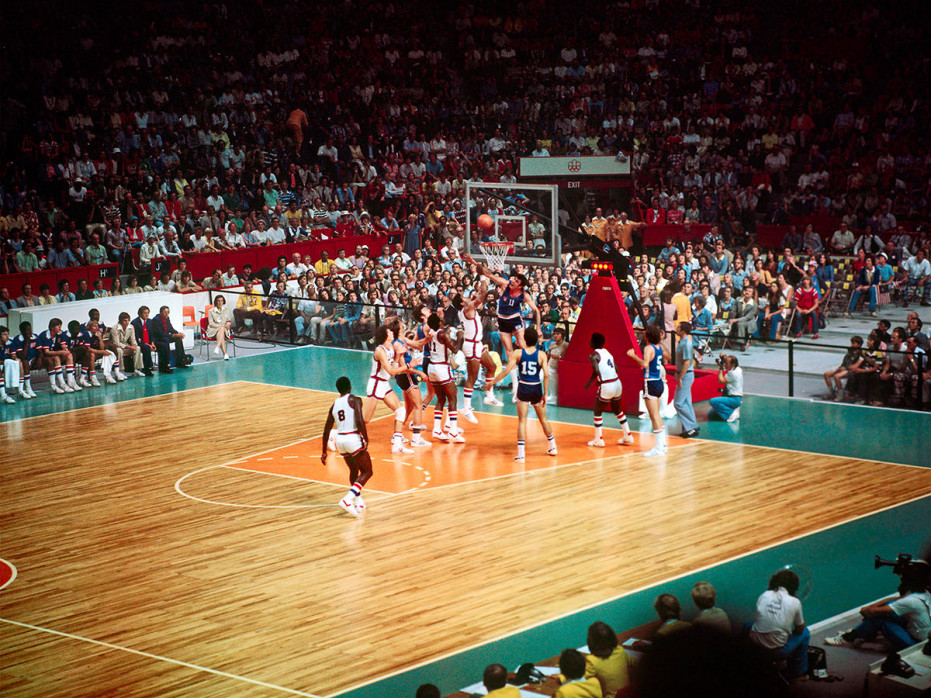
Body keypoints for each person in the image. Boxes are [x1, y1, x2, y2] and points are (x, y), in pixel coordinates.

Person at [465, 252, 540, 403]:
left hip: (515, 320)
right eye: (514, 278)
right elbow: (487, 273)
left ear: (521, 285)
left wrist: (538, 328)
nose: (513, 280)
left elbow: (536, 310)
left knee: (523, 348)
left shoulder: (524, 295)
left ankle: (530, 379)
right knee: (509, 351)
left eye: (516, 280)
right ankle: (516, 389)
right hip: (503, 320)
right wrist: (474, 262)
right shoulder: (505, 284)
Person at [826, 561, 930, 651]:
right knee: (888, 608)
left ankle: (848, 638)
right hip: (922, 635)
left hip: (918, 645)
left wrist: (889, 599)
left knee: (880, 619)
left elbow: (867, 611)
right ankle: (859, 634)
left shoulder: (909, 601)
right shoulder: (924, 593)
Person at [488, 327, 557, 462]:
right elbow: (547, 376)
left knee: (522, 421)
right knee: (543, 419)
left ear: (524, 339)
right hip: (536, 388)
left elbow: (506, 371)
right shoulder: (541, 355)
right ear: (537, 340)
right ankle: (553, 446)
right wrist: (545, 393)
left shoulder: (518, 353)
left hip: (524, 388)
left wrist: (492, 382)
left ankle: (521, 455)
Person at [321, 377, 374, 517]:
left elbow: (326, 429)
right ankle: (348, 499)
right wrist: (365, 438)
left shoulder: (334, 405)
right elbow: (359, 420)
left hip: (340, 441)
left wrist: (323, 451)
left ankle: (358, 500)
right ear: (350, 386)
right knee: (367, 472)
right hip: (352, 438)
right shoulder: (355, 400)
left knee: (353, 470)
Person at [362, 326, 415, 453]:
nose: (392, 332)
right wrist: (409, 365)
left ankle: (397, 444)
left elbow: (394, 367)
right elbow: (391, 371)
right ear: (385, 336)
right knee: (365, 419)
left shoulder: (391, 348)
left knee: (401, 410)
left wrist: (398, 355)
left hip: (384, 384)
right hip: (376, 384)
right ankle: (336, 434)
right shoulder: (380, 350)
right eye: (390, 331)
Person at [454, 282, 503, 420]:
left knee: (491, 366)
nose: (466, 297)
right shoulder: (468, 309)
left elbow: (481, 299)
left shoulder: (467, 309)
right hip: (471, 346)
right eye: (463, 297)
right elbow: (483, 296)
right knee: (472, 377)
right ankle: (466, 408)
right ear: (463, 303)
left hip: (477, 344)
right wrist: (483, 279)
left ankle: (489, 396)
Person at [748, 569, 810, 678]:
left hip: (755, 644)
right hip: (777, 651)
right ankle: (798, 672)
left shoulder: (764, 595)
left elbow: (759, 618)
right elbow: (800, 628)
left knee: (747, 625)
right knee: (805, 633)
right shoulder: (794, 602)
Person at [584, 332, 634, 447]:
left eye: (591, 340)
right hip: (617, 382)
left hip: (607, 385)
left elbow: (596, 371)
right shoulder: (607, 352)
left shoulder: (593, 355)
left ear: (593, 342)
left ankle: (599, 439)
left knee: (598, 411)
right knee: (617, 410)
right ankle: (628, 435)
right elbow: (615, 368)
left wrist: (591, 382)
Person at [387, 319, 430, 448]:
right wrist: (420, 373)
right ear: (399, 328)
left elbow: (418, 344)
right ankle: (416, 439)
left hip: (405, 377)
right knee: (418, 405)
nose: (403, 323)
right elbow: (403, 366)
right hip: (406, 375)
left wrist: (429, 337)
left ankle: (397, 435)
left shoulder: (403, 340)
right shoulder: (397, 344)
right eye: (401, 323)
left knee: (409, 407)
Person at [626, 324, 668, 457]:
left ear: (648, 335)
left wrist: (632, 355)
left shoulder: (648, 348)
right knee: (657, 415)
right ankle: (663, 445)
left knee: (653, 416)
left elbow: (644, 364)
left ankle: (659, 448)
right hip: (659, 382)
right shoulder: (659, 347)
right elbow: (668, 357)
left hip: (650, 382)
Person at [425, 312, 466, 443]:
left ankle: (437, 429)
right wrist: (460, 337)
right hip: (441, 368)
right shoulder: (441, 334)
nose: (443, 320)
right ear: (439, 323)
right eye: (441, 320)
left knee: (441, 399)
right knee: (453, 396)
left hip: (432, 367)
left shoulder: (430, 332)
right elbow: (454, 349)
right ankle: (453, 431)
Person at [584, 621, 631, 695]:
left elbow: (577, 675)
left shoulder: (592, 661)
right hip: (629, 694)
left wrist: (561, 677)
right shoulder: (620, 650)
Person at [37, 318, 81, 393]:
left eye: (60, 326)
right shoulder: (44, 335)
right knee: (56, 358)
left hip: (56, 353)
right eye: (58, 326)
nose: (60, 328)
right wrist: (60, 352)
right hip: (44, 356)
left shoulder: (60, 334)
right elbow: (47, 352)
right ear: (52, 327)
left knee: (69, 355)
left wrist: (65, 350)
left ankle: (71, 381)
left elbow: (63, 345)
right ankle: (62, 383)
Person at [673, 322, 699, 438]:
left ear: (683, 330)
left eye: (678, 327)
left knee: (678, 403)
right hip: (684, 374)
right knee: (686, 402)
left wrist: (680, 377)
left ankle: (691, 426)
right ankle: (691, 427)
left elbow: (687, 362)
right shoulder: (681, 342)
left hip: (686, 375)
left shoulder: (686, 344)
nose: (676, 328)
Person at [151, 305, 189, 374]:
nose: (166, 314)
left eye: (168, 312)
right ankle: (165, 366)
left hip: (165, 337)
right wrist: (174, 335)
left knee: (178, 339)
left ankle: (180, 361)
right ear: (160, 313)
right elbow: (160, 334)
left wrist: (179, 334)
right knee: (166, 341)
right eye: (165, 312)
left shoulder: (167, 318)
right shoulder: (156, 320)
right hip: (158, 339)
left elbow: (171, 329)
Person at [823, 336, 863, 401]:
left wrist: (845, 368)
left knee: (837, 376)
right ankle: (831, 393)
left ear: (859, 345)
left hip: (852, 371)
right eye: (851, 343)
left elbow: (855, 366)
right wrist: (840, 367)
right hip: (844, 369)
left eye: (854, 343)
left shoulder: (860, 354)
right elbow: (844, 362)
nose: (852, 344)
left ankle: (840, 395)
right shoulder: (849, 352)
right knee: (826, 374)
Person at [708, 354, 743, 422]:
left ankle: (731, 413)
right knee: (711, 415)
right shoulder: (738, 369)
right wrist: (724, 357)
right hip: (732, 397)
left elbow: (721, 380)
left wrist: (721, 368)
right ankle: (732, 409)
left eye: (726, 363)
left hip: (734, 398)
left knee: (713, 401)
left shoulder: (733, 373)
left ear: (733, 364)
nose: (725, 365)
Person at [110, 312, 146, 376]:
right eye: (124, 321)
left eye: (128, 320)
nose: (127, 322)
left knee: (137, 348)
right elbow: (116, 343)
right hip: (115, 347)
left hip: (126, 346)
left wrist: (134, 345)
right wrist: (128, 347)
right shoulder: (114, 329)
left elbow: (133, 339)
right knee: (119, 350)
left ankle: (137, 369)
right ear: (120, 321)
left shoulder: (131, 327)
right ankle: (120, 370)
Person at [10, 321, 38, 398]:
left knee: (48, 360)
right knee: (25, 362)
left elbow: (40, 351)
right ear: (22, 332)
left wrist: (39, 359)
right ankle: (28, 388)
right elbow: (22, 356)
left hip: (34, 359)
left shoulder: (35, 336)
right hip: (24, 361)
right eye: (27, 330)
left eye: (30, 329)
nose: (30, 332)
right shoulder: (18, 339)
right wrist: (27, 342)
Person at [1, 325, 26, 402]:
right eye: (5, 334)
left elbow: (13, 355)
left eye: (8, 334)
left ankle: (20, 390)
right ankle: (4, 396)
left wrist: (14, 358)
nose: (7, 336)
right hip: (2, 363)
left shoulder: (10, 343)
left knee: (19, 363)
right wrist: (5, 362)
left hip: (5, 364)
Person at [131, 306, 157, 376]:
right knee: (146, 348)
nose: (147, 315)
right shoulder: (134, 323)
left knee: (163, 344)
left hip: (149, 342)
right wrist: (148, 345)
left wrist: (152, 343)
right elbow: (136, 337)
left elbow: (152, 334)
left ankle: (165, 366)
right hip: (139, 343)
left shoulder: (150, 321)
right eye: (145, 313)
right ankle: (146, 368)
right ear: (140, 314)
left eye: (148, 313)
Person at [206, 294, 233, 359]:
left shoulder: (226, 310)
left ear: (223, 302)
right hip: (213, 330)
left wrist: (227, 325)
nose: (220, 302)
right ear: (216, 302)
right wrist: (222, 326)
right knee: (221, 330)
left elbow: (228, 321)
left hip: (223, 330)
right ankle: (225, 353)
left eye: (221, 301)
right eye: (218, 301)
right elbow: (211, 323)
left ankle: (218, 347)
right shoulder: (211, 311)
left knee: (221, 331)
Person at [545, 327, 568, 404]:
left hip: (558, 369)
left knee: (556, 384)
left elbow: (567, 358)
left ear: (562, 335)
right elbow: (547, 356)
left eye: (557, 334)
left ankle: (554, 397)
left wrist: (558, 357)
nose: (555, 335)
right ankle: (551, 396)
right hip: (550, 367)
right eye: (554, 334)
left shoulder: (566, 345)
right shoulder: (552, 344)